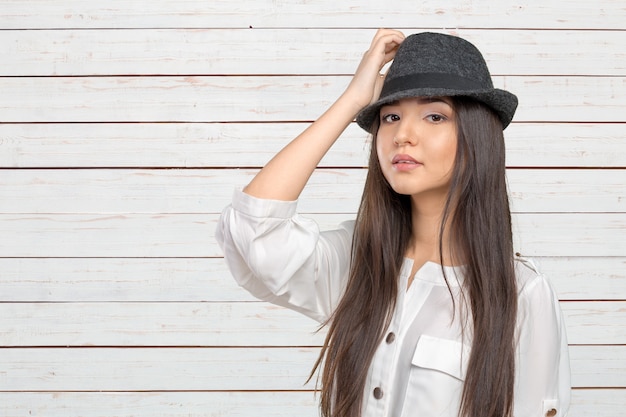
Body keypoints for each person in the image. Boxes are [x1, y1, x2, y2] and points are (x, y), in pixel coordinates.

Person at [216, 29, 571, 417]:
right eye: (390, 116)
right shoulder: (358, 261)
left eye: (434, 115)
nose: (403, 135)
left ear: (477, 136)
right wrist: (353, 99)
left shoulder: (521, 295)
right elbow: (253, 232)